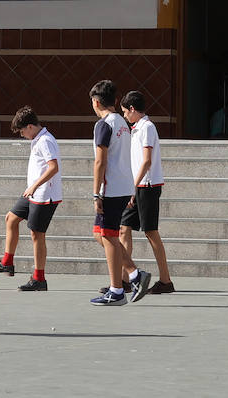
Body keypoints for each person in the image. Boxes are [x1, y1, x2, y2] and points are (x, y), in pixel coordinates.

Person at [0, 106, 61, 292]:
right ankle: (7, 262)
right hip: (33, 193)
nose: (22, 135)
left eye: (21, 131)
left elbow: (53, 167)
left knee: (37, 235)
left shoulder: (45, 140)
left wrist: (35, 185)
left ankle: (39, 279)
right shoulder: (37, 139)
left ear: (30, 126)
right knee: (11, 218)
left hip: (44, 195)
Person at [88, 80, 138, 306]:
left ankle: (118, 289)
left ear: (96, 102)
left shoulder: (104, 124)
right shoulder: (121, 122)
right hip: (123, 186)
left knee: (108, 235)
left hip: (110, 189)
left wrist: (96, 193)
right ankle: (134, 274)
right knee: (101, 234)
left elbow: (100, 161)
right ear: (116, 101)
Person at [119, 91, 174, 296]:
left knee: (151, 232)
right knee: (124, 228)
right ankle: (124, 280)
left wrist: (132, 187)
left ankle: (166, 280)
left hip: (147, 187)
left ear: (133, 109)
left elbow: (147, 160)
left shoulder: (147, 127)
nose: (124, 116)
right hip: (137, 186)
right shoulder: (136, 128)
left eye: (125, 112)